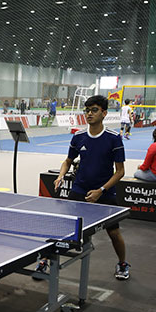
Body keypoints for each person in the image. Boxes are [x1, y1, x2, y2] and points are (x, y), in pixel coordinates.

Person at [51, 95, 129, 280]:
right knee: (64, 228)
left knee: (114, 233)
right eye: (87, 110)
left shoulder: (113, 138)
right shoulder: (78, 137)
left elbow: (120, 172)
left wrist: (100, 190)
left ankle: (122, 264)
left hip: (105, 191)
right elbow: (68, 161)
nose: (89, 113)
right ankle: (46, 259)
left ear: (104, 113)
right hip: (80, 189)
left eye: (94, 110)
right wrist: (61, 175)